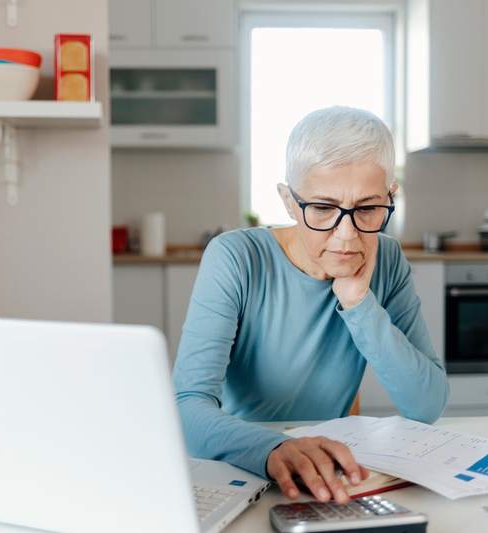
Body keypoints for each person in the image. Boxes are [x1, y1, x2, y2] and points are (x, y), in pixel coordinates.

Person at [172, 106, 449, 505]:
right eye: (322, 208)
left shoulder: (386, 260)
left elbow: (426, 406)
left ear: (391, 198)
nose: (346, 236)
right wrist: (273, 449)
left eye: (368, 209)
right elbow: (187, 408)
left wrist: (358, 302)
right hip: (238, 467)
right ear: (288, 201)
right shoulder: (235, 257)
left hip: (326, 475)